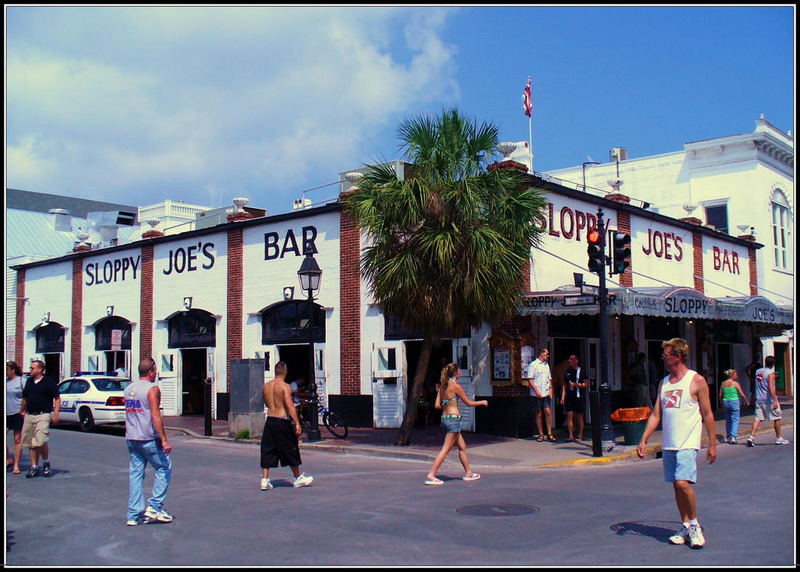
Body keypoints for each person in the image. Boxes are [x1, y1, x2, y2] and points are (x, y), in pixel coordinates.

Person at [637, 338, 717, 549]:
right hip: (670, 443)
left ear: (677, 357)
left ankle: (694, 525)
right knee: (676, 485)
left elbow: (708, 414)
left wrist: (712, 443)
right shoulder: (664, 383)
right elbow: (656, 414)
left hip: (688, 441)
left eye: (666, 355)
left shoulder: (696, 380)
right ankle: (684, 525)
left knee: (683, 483)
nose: (663, 358)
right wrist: (644, 439)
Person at [124, 358, 174, 526]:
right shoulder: (153, 389)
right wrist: (164, 439)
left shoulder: (129, 388)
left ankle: (133, 514)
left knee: (136, 474)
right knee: (164, 468)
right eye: (155, 370)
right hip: (148, 437)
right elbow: (155, 415)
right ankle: (155, 506)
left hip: (132, 437)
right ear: (151, 371)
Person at [424, 363, 488, 485]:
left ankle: (468, 472)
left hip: (445, 418)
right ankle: (432, 474)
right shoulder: (456, 387)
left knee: (462, 447)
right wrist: (482, 402)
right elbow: (469, 403)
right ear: (455, 373)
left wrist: (447, 404)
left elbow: (437, 406)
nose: (461, 373)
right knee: (446, 449)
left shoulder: (442, 386)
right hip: (454, 419)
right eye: (459, 370)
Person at [260, 361, 313, 491]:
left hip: (270, 420)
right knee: (291, 447)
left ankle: (265, 480)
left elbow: (267, 403)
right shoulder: (285, 386)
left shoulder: (266, 386)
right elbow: (289, 405)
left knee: (267, 449)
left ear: (275, 371)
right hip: (282, 420)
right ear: (285, 371)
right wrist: (297, 423)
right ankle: (297, 478)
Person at [19, 360, 60, 479]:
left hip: (43, 414)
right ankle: (34, 467)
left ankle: (46, 462)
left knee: (41, 440)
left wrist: (56, 413)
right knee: (32, 443)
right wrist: (22, 409)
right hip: (30, 414)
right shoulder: (29, 381)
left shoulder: (49, 382)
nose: (30, 370)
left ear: (40, 369)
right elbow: (25, 397)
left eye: (32, 368)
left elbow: (57, 398)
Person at [746, 356, 789, 446]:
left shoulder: (758, 371)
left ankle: (751, 437)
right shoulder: (770, 373)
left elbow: (761, 381)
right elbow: (771, 387)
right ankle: (778, 438)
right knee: (777, 417)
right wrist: (775, 400)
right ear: (773, 364)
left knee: (758, 418)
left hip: (759, 398)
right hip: (768, 399)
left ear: (765, 362)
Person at [527, 348, 555, 442]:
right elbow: (530, 379)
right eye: (546, 354)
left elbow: (549, 378)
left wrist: (551, 390)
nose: (548, 356)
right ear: (541, 354)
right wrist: (536, 391)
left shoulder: (546, 365)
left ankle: (550, 433)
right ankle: (541, 434)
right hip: (536, 394)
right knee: (538, 413)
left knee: (548, 412)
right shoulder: (533, 365)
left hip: (545, 392)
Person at [561, 354, 589, 442]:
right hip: (569, 396)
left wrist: (576, 385)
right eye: (569, 359)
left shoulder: (581, 371)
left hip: (578, 396)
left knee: (580, 416)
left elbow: (586, 384)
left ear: (576, 361)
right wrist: (563, 396)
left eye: (572, 359)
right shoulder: (567, 371)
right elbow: (564, 385)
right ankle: (570, 435)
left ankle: (580, 434)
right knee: (569, 415)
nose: (569, 361)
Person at [718, 369, 749, 444]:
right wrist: (746, 401)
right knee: (735, 419)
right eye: (735, 375)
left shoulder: (723, 384)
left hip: (726, 402)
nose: (737, 376)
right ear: (732, 375)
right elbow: (741, 394)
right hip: (734, 402)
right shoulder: (735, 384)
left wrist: (721, 403)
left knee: (728, 420)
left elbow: (720, 395)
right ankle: (733, 437)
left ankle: (728, 436)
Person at [6, 361, 26, 474]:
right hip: (6, 413)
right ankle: (8, 458)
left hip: (17, 413)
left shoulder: (21, 381)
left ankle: (16, 465)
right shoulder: (6, 382)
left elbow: (27, 397)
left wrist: (25, 410)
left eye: (7, 370)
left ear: (12, 370)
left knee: (17, 439)